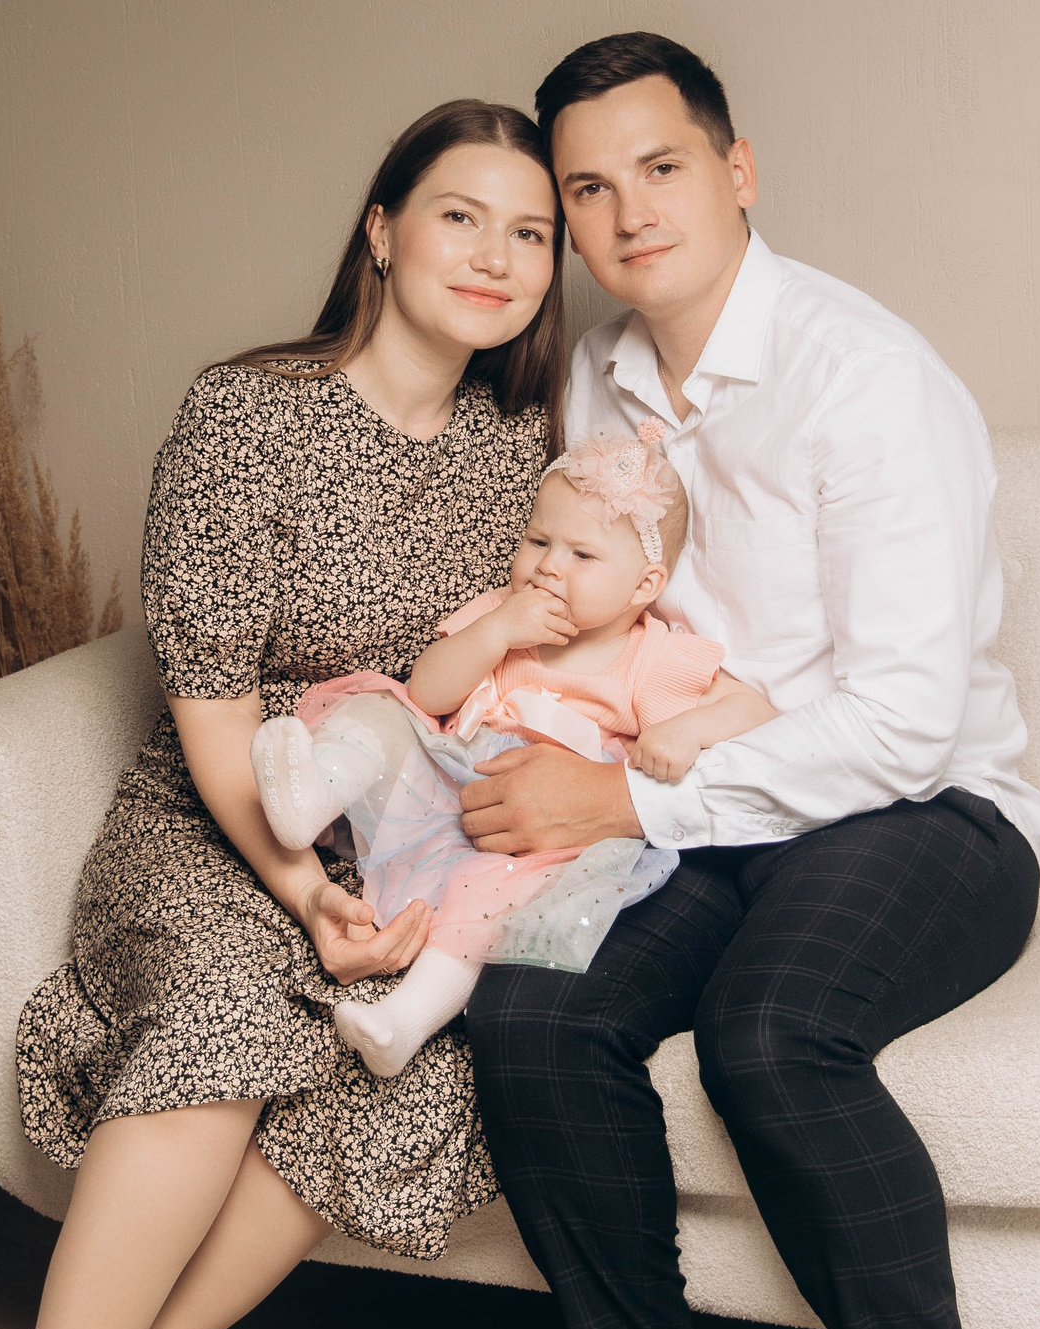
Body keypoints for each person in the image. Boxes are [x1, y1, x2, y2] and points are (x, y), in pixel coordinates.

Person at [0, 96, 562, 1329]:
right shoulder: (244, 412)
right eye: (461, 216)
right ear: (381, 231)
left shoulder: (515, 455)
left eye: (529, 234)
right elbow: (210, 699)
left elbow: (508, 677)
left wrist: (421, 874)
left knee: (402, 1084)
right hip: (223, 823)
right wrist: (300, 892)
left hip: (398, 841)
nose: (496, 257)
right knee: (229, 1022)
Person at [451, 33, 1040, 1329]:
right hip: (703, 802)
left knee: (773, 1037)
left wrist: (629, 790)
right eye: (588, 188)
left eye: (661, 167)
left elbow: (901, 720)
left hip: (925, 811)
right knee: (532, 1008)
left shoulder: (866, 378)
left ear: (737, 171)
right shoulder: (596, 378)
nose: (628, 212)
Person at [252, 427, 775, 1076]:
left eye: (582, 554)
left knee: (488, 900)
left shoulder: (654, 656)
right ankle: (307, 803)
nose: (549, 565)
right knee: (381, 710)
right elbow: (427, 691)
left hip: (534, 839)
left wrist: (685, 730)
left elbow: (756, 711)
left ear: (644, 585)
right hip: (444, 786)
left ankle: (402, 1020)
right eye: (538, 541)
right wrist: (497, 630)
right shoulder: (502, 613)